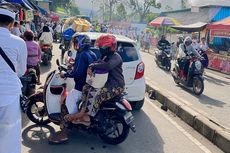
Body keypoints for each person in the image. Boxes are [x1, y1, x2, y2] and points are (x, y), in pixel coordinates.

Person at [64, 34, 125, 127]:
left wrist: (92, 66)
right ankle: (83, 111)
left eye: (102, 47)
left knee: (96, 94)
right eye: (100, 46)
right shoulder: (105, 56)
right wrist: (90, 66)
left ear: (109, 47)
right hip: (106, 83)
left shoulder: (116, 57)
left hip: (116, 85)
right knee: (86, 87)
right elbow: (97, 62)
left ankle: (87, 118)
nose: (100, 48)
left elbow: (108, 66)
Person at [48, 34, 97, 144]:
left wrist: (66, 74)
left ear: (81, 43)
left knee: (69, 100)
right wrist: (72, 66)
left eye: (76, 43)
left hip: (80, 86)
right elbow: (82, 67)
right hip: (89, 85)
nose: (75, 45)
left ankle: (75, 119)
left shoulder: (82, 54)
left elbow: (78, 72)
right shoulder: (91, 53)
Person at [0, 5, 27, 153]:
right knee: (9, 133)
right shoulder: (19, 42)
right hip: (10, 93)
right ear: (11, 24)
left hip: (9, 92)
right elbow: (21, 70)